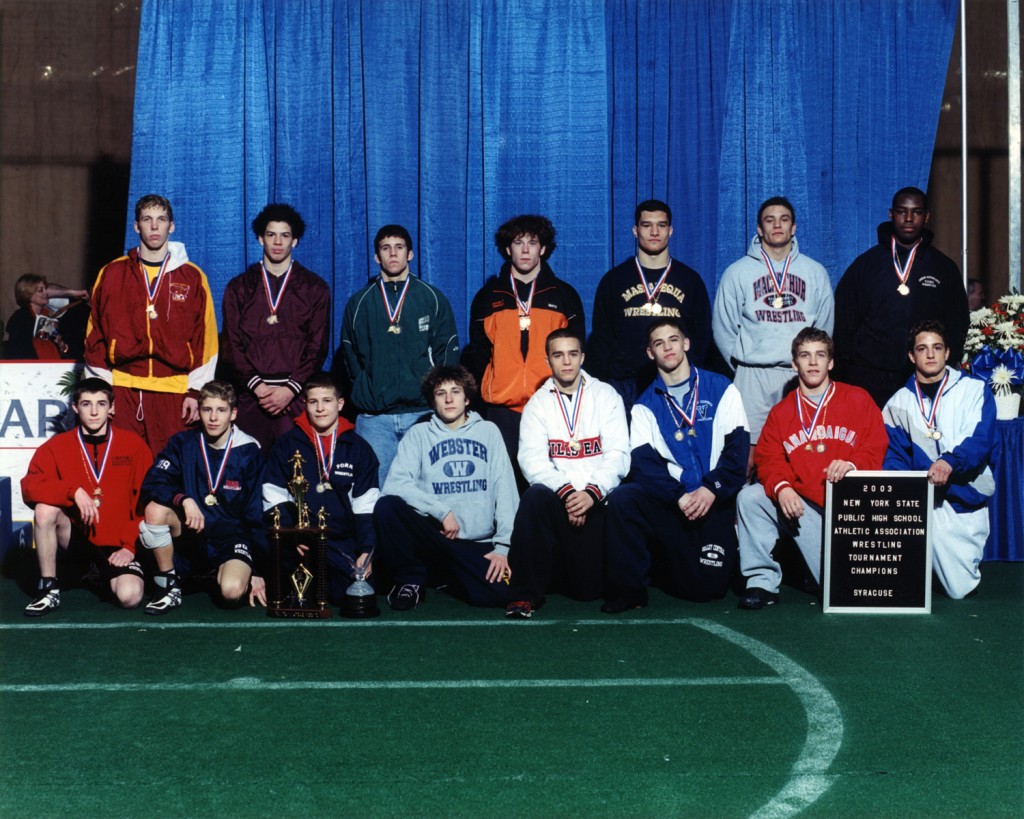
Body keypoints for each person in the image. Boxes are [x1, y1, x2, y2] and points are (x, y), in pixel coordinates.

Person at [601, 318, 749, 612]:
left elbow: (737, 451)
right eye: (659, 343)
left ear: (686, 343)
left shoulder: (722, 388)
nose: (667, 347)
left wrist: (711, 489)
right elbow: (643, 465)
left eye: (673, 339)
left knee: (705, 590)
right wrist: (677, 495)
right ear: (650, 353)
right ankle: (630, 590)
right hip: (674, 503)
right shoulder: (644, 406)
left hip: (713, 500)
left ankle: (669, 564)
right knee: (624, 498)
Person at [735, 328, 888, 609]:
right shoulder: (781, 412)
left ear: (831, 362)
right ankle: (761, 582)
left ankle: (808, 570)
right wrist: (782, 488)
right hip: (803, 510)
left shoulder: (857, 398)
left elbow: (876, 445)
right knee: (750, 497)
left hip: (849, 512)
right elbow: (769, 459)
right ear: (795, 364)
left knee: (844, 590)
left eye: (820, 355)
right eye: (805, 356)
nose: (813, 362)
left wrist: (852, 464)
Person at [505, 330, 630, 618]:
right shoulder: (537, 403)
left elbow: (619, 455)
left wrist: (590, 493)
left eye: (573, 354)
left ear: (582, 357)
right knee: (534, 496)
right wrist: (570, 494)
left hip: (597, 502)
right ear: (547, 360)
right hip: (560, 502)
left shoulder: (606, 395)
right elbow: (532, 461)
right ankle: (523, 595)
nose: (566, 362)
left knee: (586, 591)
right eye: (558, 355)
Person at [374, 365, 519, 611]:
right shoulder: (419, 434)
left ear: (467, 398)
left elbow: (505, 490)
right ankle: (410, 579)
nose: (449, 399)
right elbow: (395, 484)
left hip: (477, 542)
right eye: (441, 393)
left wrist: (503, 547)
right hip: (434, 538)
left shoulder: (488, 431)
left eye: (455, 391)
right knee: (386, 506)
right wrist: (441, 511)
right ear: (433, 401)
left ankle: (445, 577)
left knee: (499, 594)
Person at [84, 194, 218, 455]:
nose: (154, 226)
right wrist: (102, 393)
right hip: (122, 389)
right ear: (137, 226)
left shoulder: (192, 276)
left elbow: (206, 338)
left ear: (172, 226)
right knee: (123, 464)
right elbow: (95, 335)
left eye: (161, 219)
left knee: (171, 467)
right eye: (147, 219)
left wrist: (196, 391)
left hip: (175, 390)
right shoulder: (111, 273)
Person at [713, 196, 834, 473]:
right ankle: (742, 504)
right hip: (752, 376)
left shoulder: (815, 272)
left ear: (794, 227)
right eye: (770, 220)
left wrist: (809, 364)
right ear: (759, 229)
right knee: (747, 458)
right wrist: (744, 364)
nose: (777, 225)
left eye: (784, 219)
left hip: (798, 375)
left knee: (800, 452)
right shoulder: (737, 272)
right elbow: (723, 328)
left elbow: (824, 329)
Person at [462, 214, 585, 476]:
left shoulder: (564, 295)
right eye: (518, 243)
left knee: (549, 481)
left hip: (551, 405)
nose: (526, 250)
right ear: (508, 250)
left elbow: (577, 352)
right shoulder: (488, 297)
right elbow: (478, 354)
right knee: (502, 482)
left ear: (543, 248)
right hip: (501, 410)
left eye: (532, 242)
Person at [20, 377, 153, 615]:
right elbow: (29, 486)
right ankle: (48, 589)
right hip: (76, 540)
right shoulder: (56, 446)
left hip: (117, 546)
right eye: (86, 404)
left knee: (130, 597)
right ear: (75, 407)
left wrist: (129, 546)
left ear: (112, 408)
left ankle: (98, 575)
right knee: (44, 510)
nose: (94, 412)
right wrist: (72, 491)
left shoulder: (133, 445)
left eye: (101, 404)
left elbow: (148, 502)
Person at [882, 320, 995, 599]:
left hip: (965, 498)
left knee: (959, 589)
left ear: (947, 353)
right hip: (924, 502)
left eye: (937, 347)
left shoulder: (974, 389)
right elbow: (894, 457)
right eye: (922, 349)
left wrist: (950, 462)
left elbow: (980, 441)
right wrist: (904, 495)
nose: (930, 354)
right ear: (912, 356)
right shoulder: (898, 402)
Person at [341, 224, 460, 484]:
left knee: (428, 490)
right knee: (375, 493)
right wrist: (366, 388)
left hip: (422, 414)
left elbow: (447, 355)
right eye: (386, 248)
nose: (393, 253)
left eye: (399, 247)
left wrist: (435, 400)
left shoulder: (431, 298)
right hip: (375, 420)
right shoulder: (359, 303)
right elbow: (350, 357)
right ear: (377, 257)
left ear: (410, 254)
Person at [138, 381, 266, 613]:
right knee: (155, 510)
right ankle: (169, 587)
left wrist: (256, 569)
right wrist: (183, 499)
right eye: (207, 410)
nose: (213, 418)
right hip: (192, 535)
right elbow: (153, 482)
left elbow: (256, 512)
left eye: (221, 410)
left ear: (233, 413)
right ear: (199, 411)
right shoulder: (182, 443)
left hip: (230, 539)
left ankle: (224, 572)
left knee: (232, 592)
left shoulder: (249, 450)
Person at [834, 187, 968, 408]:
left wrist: (945, 364)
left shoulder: (943, 267)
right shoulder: (866, 265)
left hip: (925, 375)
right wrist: (847, 374)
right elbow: (844, 323)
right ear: (891, 214)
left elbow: (958, 321)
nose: (908, 218)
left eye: (916, 212)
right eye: (901, 211)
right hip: (870, 377)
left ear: (927, 216)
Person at [221, 203, 331, 452]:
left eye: (285, 235)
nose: (278, 242)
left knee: (297, 469)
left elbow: (318, 346)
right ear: (261, 239)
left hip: (295, 397)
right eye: (271, 235)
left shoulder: (315, 288)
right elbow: (231, 346)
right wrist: (258, 387)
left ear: (295, 241)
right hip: (251, 397)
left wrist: (290, 389)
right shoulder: (239, 287)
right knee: (248, 469)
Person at [263, 372, 380, 603]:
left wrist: (366, 550)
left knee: (351, 593)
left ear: (340, 403)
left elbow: (365, 506)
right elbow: (273, 496)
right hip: (300, 542)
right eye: (313, 402)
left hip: (340, 540)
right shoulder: (287, 445)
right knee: (300, 591)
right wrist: (292, 533)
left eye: (327, 401)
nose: (320, 409)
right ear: (305, 404)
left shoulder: (358, 448)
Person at [588, 200, 713, 411]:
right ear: (635, 231)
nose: (654, 232)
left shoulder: (690, 280)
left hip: (676, 382)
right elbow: (601, 339)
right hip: (625, 387)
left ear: (670, 230)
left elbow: (701, 337)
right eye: (647, 225)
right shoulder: (613, 281)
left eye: (661, 225)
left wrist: (687, 376)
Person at [4, 274, 88, 360]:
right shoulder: (20, 317)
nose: (46, 293)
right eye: (41, 290)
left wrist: (62, 347)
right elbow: (19, 352)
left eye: (45, 289)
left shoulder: (48, 317)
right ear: (28, 294)